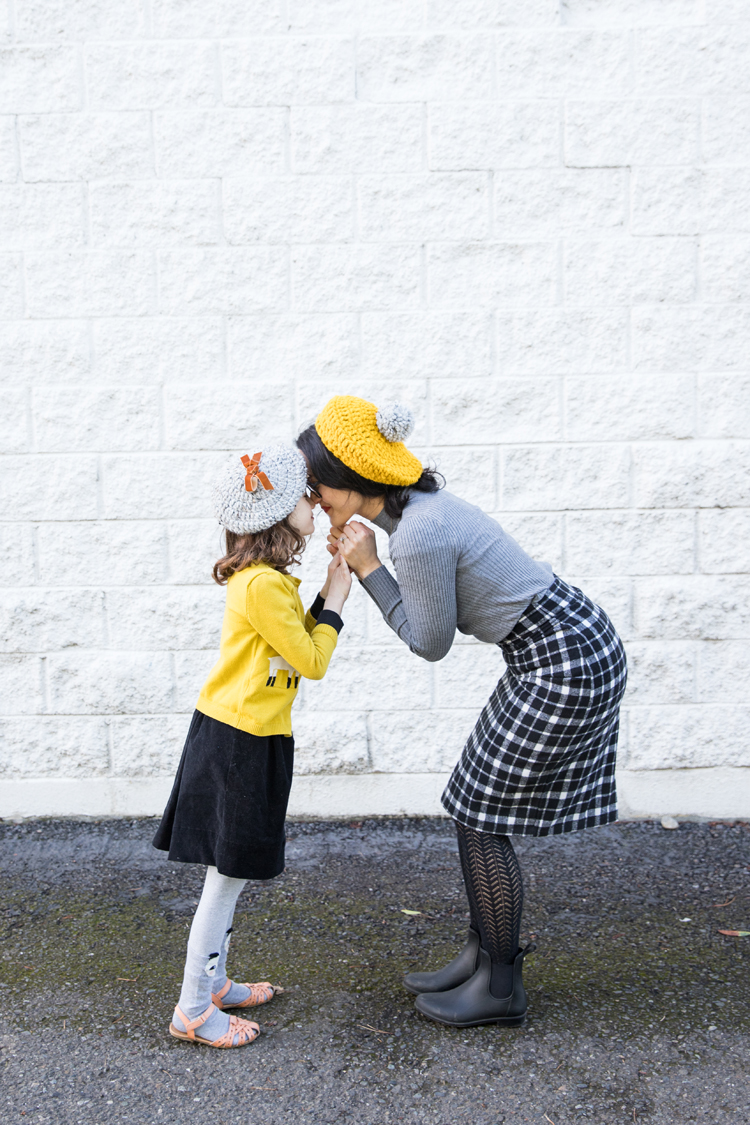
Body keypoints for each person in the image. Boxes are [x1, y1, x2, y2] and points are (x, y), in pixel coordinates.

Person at [296, 397, 627, 1028]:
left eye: (318, 487)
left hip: (563, 661)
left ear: (356, 479)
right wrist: (371, 557)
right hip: (559, 644)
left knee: (478, 814)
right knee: (472, 802)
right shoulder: (421, 511)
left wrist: (368, 571)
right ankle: (482, 956)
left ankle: (500, 985)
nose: (315, 501)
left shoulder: (418, 533)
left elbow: (429, 643)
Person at [153, 444, 351, 1047]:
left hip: (249, 735)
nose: (313, 504)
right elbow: (311, 659)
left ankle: (213, 983)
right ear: (274, 515)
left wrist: (328, 586)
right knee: (226, 876)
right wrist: (339, 600)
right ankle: (192, 1008)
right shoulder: (261, 585)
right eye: (302, 497)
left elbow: (292, 639)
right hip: (237, 742)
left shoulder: (269, 581)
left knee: (230, 871)